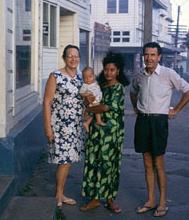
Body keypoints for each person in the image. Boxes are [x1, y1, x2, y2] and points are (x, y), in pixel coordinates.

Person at [130, 42, 189, 217]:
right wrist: (136, 107)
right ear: (143, 56)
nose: (149, 58)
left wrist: (176, 109)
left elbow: (188, 90)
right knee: (146, 162)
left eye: (153, 55)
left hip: (159, 121)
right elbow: (133, 91)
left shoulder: (168, 74)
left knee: (158, 163)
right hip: (143, 121)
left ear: (159, 57)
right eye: (146, 55)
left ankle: (162, 202)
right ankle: (150, 200)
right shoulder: (140, 75)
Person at [80, 52, 130, 213]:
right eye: (107, 69)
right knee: (93, 162)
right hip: (95, 130)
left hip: (111, 133)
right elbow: (89, 98)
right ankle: (94, 199)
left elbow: (106, 107)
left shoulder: (119, 88)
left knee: (109, 164)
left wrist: (88, 108)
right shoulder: (99, 85)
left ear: (118, 71)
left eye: (112, 70)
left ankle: (110, 199)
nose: (109, 73)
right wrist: (88, 103)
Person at [43, 44, 86, 208]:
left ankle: (60, 193)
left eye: (76, 56)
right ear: (64, 58)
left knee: (67, 160)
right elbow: (47, 102)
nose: (73, 59)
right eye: (70, 56)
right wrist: (48, 127)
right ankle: (58, 194)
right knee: (64, 160)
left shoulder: (82, 77)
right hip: (60, 126)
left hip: (75, 126)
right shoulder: (55, 76)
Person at [79, 67, 106, 132]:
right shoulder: (85, 85)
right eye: (85, 78)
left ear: (94, 76)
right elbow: (81, 93)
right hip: (92, 101)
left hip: (97, 100)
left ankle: (87, 122)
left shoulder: (95, 83)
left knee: (94, 113)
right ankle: (98, 121)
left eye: (90, 77)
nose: (88, 79)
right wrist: (87, 94)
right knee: (98, 109)